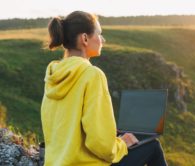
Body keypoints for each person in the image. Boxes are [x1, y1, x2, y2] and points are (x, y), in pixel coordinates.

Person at [41, 10, 167, 166]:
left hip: (56, 162)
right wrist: (121, 144)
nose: (103, 39)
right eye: (99, 34)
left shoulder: (53, 75)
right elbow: (100, 144)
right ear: (85, 39)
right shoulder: (91, 74)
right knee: (153, 146)